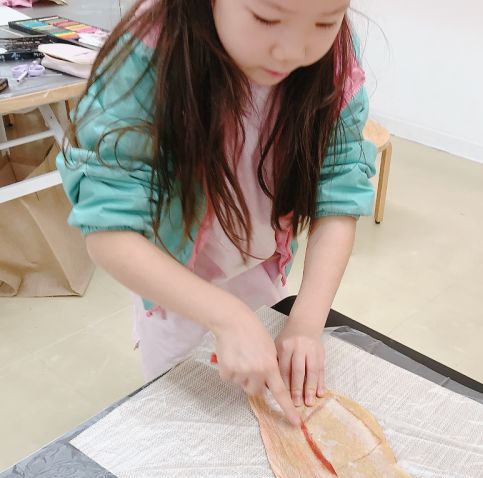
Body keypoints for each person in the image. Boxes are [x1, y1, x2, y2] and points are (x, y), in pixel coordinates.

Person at [57, 0, 376, 426]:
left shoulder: (333, 60)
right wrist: (225, 316)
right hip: (172, 279)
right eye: (266, 18)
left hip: (260, 263)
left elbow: (337, 191)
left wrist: (305, 322)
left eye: (325, 21)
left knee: (261, 410)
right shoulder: (148, 58)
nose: (292, 51)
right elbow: (109, 232)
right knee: (189, 418)